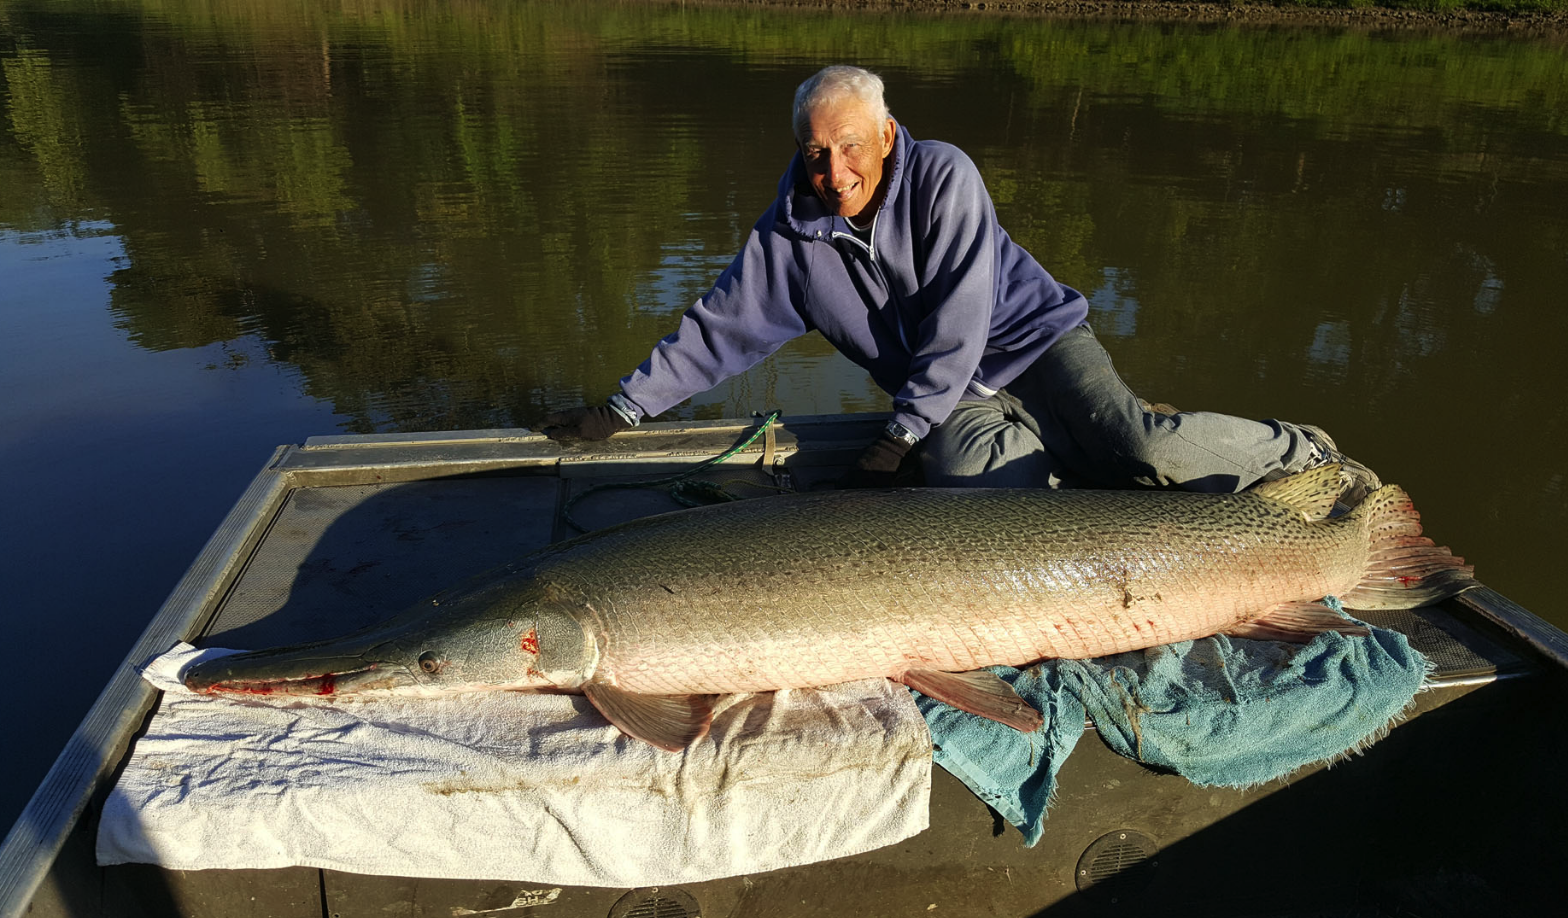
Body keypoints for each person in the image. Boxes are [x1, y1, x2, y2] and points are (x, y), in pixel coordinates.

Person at [544, 65, 1379, 505]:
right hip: (952, 397)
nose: (834, 171)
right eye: (815, 152)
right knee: (980, 506)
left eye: (849, 147)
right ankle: (1053, 459)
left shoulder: (945, 176)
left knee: (1141, 449)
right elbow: (719, 327)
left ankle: (1299, 448)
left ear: (887, 134)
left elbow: (961, 318)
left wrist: (900, 437)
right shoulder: (789, 232)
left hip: (1035, 344)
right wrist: (620, 411)